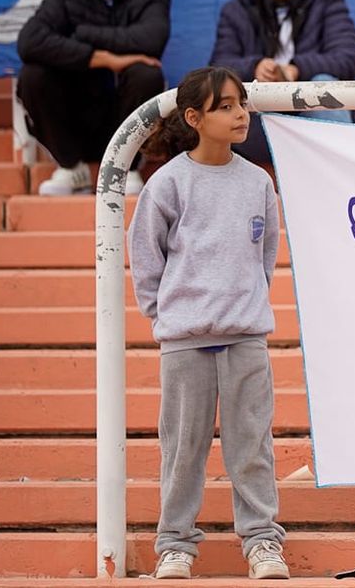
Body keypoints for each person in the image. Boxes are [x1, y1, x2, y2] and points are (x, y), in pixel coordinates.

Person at [128, 67, 288, 580]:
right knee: (182, 449)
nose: (239, 114)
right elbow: (146, 260)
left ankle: (262, 542)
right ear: (194, 117)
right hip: (185, 342)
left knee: (252, 448)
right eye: (225, 106)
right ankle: (174, 544)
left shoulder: (258, 181)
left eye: (241, 104)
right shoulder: (169, 183)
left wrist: (242, 308)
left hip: (245, 338)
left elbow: (265, 255)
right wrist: (172, 318)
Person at [16, 0, 173, 196]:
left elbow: (151, 40)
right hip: (75, 113)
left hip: (122, 110)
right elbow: (29, 41)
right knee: (34, 74)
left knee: (146, 73)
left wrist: (84, 33)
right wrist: (104, 59)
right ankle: (70, 167)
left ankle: (126, 167)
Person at [210, 0, 355, 163]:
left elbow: (348, 57)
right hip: (259, 123)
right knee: (223, 101)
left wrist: (295, 71)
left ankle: (335, 179)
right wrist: (255, 68)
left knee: (324, 83)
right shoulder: (235, 11)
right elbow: (218, 66)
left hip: (317, 122)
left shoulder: (328, 0)